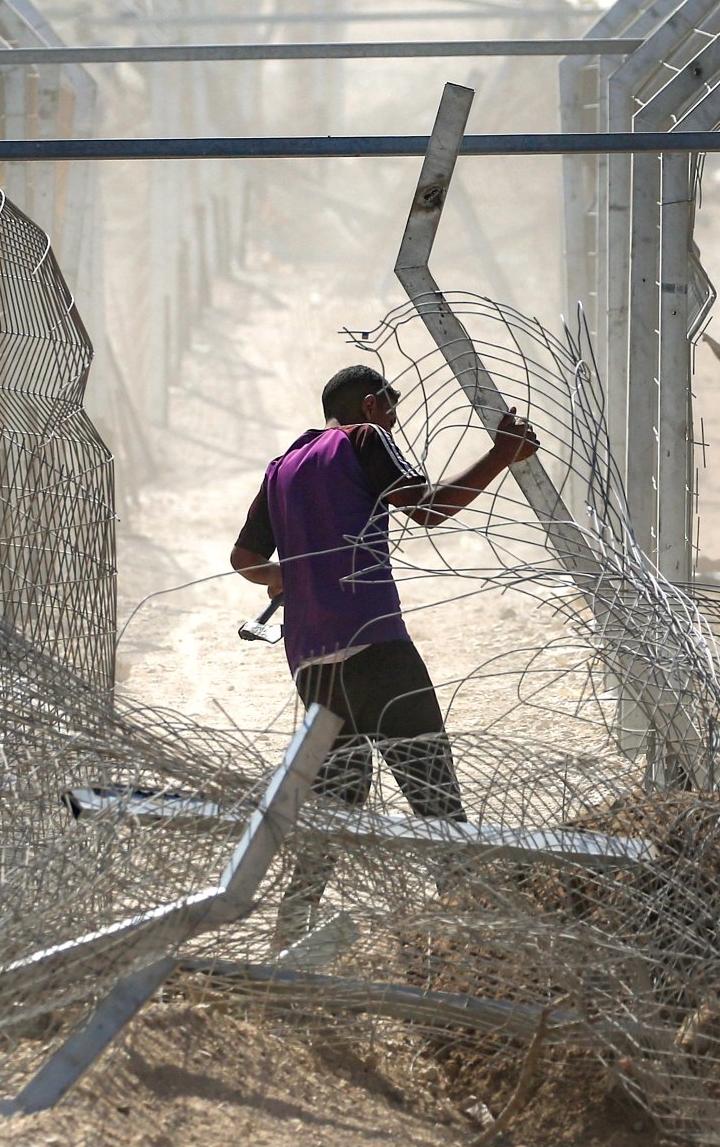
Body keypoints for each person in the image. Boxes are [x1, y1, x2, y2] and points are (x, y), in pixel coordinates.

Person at [230, 365, 538, 946]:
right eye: (392, 415)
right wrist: (503, 454)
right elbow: (427, 508)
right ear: (371, 406)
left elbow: (243, 557)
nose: (394, 428)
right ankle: (474, 933)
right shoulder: (364, 440)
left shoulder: (281, 471)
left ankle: (289, 932)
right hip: (376, 646)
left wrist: (290, 579)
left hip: (313, 664)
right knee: (434, 793)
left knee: (335, 803)